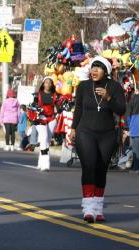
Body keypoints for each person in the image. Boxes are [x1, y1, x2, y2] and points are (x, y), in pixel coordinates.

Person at [70, 56, 126, 223]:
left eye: (99, 68)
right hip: (85, 131)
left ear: (106, 71)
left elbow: (121, 109)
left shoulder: (115, 87)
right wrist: (73, 128)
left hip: (107, 134)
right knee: (89, 165)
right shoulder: (83, 86)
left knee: (101, 169)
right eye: (93, 67)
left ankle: (98, 208)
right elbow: (78, 108)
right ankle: (88, 208)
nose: (94, 71)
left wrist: (109, 98)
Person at [34, 77, 60, 171]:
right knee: (43, 137)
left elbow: (58, 108)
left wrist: (64, 107)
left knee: (47, 141)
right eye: (46, 82)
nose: (48, 84)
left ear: (52, 84)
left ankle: (41, 161)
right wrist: (35, 109)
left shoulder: (55, 95)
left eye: (50, 83)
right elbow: (34, 105)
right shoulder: (38, 94)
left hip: (51, 118)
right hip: (40, 118)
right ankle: (46, 163)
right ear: (43, 84)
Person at [126, 93, 139, 174]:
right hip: (135, 127)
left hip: (135, 127)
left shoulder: (132, 99)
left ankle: (136, 168)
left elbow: (128, 115)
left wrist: (128, 127)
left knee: (135, 150)